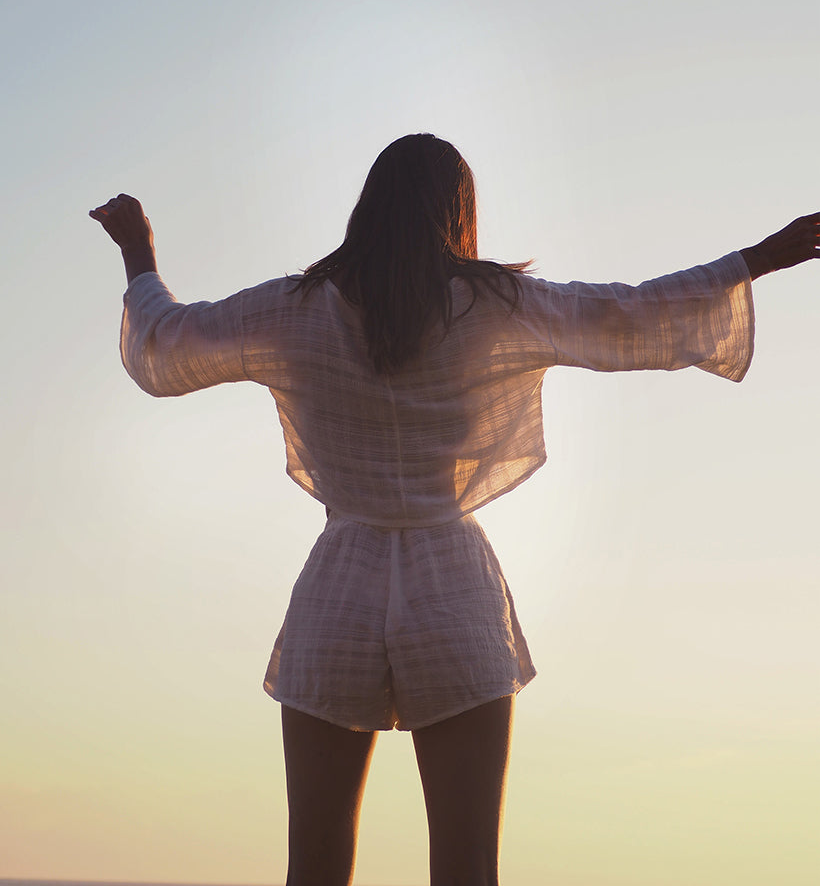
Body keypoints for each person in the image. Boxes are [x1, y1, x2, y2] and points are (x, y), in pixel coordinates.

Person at [90, 133, 818, 886]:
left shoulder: (295, 307)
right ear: (458, 210)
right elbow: (627, 317)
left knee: (314, 864)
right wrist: (756, 259)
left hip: (337, 591)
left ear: (367, 207)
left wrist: (139, 251)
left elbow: (166, 345)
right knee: (468, 867)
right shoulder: (499, 305)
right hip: (453, 594)